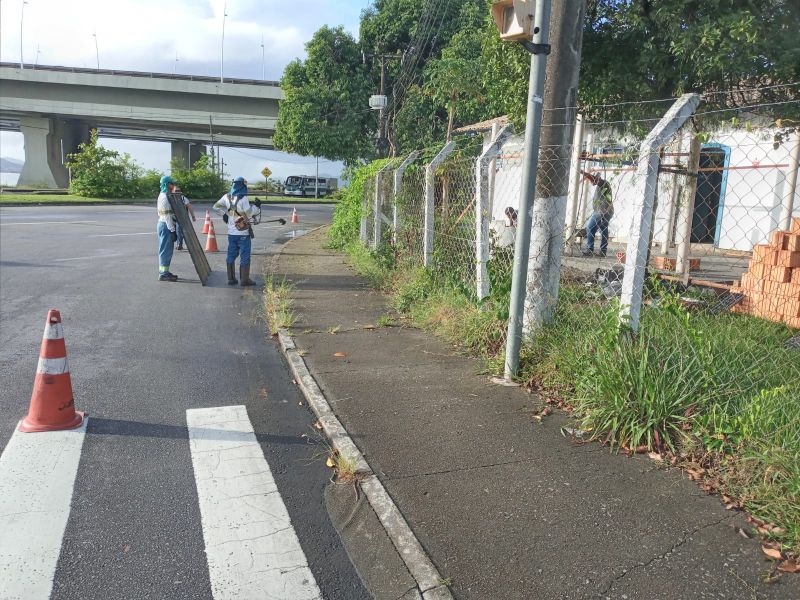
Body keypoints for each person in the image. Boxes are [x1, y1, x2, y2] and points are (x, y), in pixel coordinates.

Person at [213, 176, 256, 286]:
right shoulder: (243, 198)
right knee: (245, 255)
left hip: (231, 233)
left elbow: (215, 207)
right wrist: (257, 207)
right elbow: (249, 214)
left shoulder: (226, 197)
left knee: (231, 254)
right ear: (242, 185)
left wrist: (224, 214)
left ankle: (231, 279)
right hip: (243, 233)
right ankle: (244, 280)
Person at [156, 175, 182, 281]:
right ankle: (163, 274)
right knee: (165, 251)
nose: (173, 185)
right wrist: (172, 230)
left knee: (166, 250)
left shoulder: (164, 195)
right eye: (172, 183)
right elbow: (167, 216)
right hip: (166, 226)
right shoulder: (165, 197)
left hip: (164, 225)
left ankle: (165, 272)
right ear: (167, 184)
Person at [582, 171, 614, 257]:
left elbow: (595, 179)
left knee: (590, 228)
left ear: (598, 179)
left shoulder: (603, 184)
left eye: (593, 180)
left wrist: (583, 172)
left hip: (601, 212)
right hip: (606, 212)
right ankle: (603, 251)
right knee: (603, 230)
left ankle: (590, 250)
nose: (592, 182)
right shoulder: (603, 185)